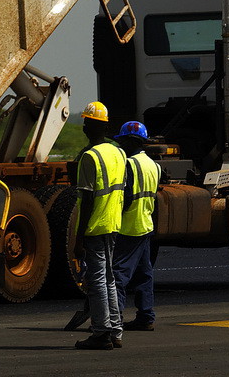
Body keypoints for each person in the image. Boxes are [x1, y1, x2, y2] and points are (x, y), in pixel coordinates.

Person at [72, 100, 129, 350]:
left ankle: (101, 333)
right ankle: (115, 331)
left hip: (96, 225)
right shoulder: (118, 152)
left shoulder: (89, 156)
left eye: (86, 122)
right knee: (108, 280)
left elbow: (85, 201)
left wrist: (79, 236)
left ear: (89, 126)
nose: (84, 126)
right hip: (114, 222)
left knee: (96, 281)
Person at [114, 120, 160, 332]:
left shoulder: (129, 164)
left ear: (130, 142)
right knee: (144, 273)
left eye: (122, 142)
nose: (121, 146)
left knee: (118, 274)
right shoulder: (154, 165)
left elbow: (127, 197)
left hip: (129, 226)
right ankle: (146, 316)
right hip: (146, 224)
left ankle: (114, 320)